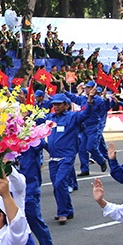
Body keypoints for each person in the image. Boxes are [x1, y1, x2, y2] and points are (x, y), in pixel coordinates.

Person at [45, 93, 85, 224]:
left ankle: (62, 212)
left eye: (58, 104)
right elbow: (34, 120)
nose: (55, 106)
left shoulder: (72, 117)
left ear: (66, 105)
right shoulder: (50, 118)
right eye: (54, 104)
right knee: (57, 186)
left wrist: (90, 101)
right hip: (53, 158)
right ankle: (68, 210)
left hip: (67, 157)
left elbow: (86, 114)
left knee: (60, 182)